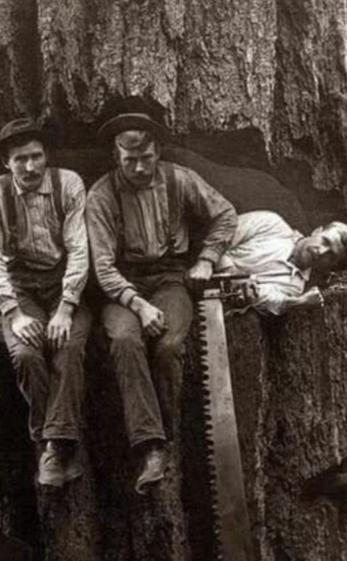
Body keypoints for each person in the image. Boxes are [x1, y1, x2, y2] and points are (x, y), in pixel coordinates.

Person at [86, 112, 237, 493]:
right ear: (115, 157)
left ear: (158, 152)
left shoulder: (178, 179)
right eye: (129, 160)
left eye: (146, 158)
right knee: (124, 339)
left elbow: (225, 215)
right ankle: (150, 446)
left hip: (171, 277)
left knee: (169, 345)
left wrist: (206, 258)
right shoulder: (101, 196)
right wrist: (138, 305)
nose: (139, 167)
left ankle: (167, 439)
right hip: (121, 285)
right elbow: (102, 268)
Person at [0, 117, 90, 487]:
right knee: (25, 353)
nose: (30, 166)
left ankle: (53, 447)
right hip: (20, 287)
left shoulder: (68, 183)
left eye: (37, 156)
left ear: (47, 156)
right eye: (21, 158)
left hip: (64, 285)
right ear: (6, 163)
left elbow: (79, 248)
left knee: (69, 348)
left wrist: (67, 306)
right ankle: (56, 442)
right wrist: (13, 311)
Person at [214, 210, 347, 317]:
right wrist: (234, 273)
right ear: (317, 231)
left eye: (331, 256)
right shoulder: (271, 224)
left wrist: (299, 303)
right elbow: (218, 237)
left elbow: (263, 300)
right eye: (325, 241)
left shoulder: (294, 287)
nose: (321, 252)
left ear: (330, 266)